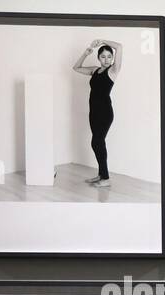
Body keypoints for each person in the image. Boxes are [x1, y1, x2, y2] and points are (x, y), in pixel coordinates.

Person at [73, 39, 122, 186]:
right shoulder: (94, 70)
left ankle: (106, 178)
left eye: (109, 56)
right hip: (93, 112)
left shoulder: (113, 71)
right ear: (98, 58)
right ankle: (101, 174)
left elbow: (119, 46)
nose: (106, 60)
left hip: (105, 112)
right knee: (97, 143)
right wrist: (85, 53)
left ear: (112, 58)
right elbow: (76, 68)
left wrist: (102, 40)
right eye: (103, 56)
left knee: (97, 142)